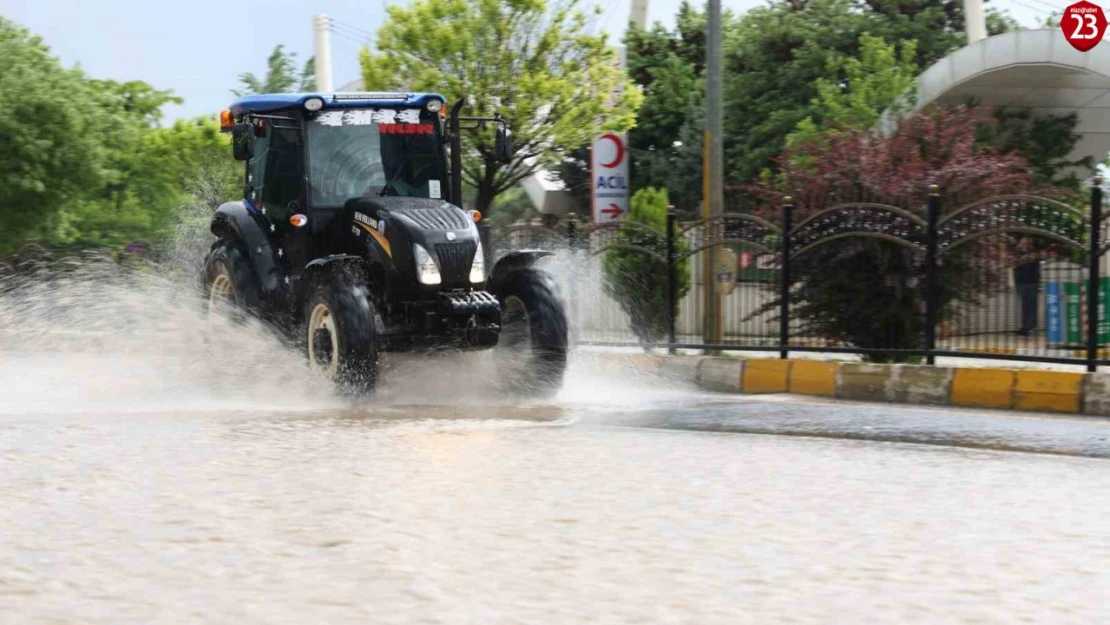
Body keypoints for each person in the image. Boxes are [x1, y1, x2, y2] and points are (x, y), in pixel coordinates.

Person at [1015, 261, 1040, 336]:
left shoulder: (1033, 255)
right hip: (1022, 282)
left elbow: (1036, 269)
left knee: (1031, 306)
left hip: (1032, 283)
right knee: (1025, 306)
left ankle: (1031, 328)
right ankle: (1025, 327)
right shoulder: (1019, 256)